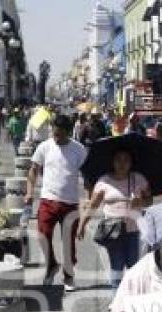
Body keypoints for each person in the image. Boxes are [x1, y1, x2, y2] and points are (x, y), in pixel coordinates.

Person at [25, 114, 89, 292]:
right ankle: (52, 264)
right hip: (48, 200)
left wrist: (88, 200)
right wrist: (30, 192)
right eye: (54, 133)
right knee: (42, 234)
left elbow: (88, 176)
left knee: (68, 242)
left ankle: (69, 276)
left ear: (69, 132)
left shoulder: (79, 150)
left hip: (70, 202)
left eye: (60, 134)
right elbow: (33, 170)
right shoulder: (44, 147)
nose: (56, 137)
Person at [78, 148, 152, 291]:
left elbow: (149, 200)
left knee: (134, 268)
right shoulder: (104, 181)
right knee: (117, 267)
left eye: (126, 160)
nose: (122, 163)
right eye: (118, 159)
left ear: (131, 163)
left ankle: (133, 302)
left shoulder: (139, 179)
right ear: (112, 161)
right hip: (113, 232)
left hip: (135, 231)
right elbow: (93, 205)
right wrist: (82, 224)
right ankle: (116, 303)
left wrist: (141, 202)